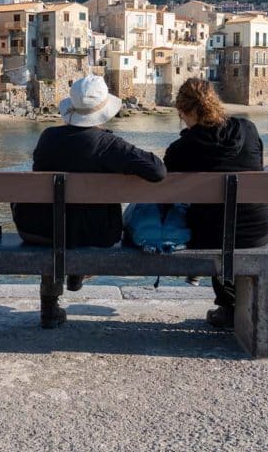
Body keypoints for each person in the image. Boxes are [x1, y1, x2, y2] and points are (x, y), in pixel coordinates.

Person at [13, 74, 166, 328]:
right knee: (74, 227)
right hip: (94, 234)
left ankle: (50, 308)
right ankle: (79, 269)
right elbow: (157, 171)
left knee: (58, 224)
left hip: (37, 229)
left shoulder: (48, 136)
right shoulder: (107, 144)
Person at [163, 78, 268, 329]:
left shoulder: (181, 148)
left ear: (186, 111)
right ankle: (232, 305)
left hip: (209, 235)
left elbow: (166, 189)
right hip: (257, 230)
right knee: (227, 220)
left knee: (214, 224)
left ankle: (228, 307)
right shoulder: (248, 130)